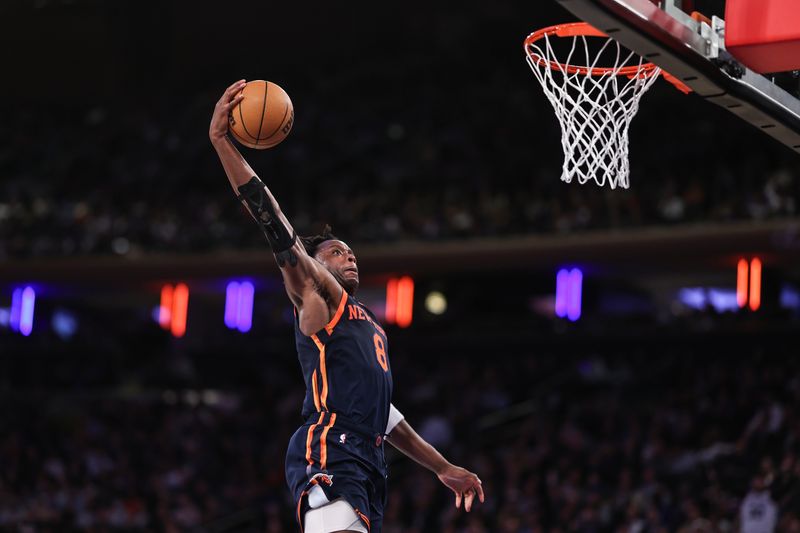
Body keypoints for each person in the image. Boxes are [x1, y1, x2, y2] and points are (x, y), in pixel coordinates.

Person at [209, 80, 485, 533]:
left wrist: (442, 467)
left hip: (368, 461)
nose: (349, 255)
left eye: (351, 250)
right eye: (336, 251)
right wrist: (221, 143)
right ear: (314, 265)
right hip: (329, 450)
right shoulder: (317, 296)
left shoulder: (370, 326)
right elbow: (274, 225)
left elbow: (387, 417)